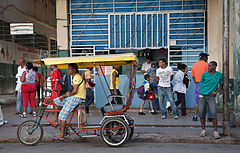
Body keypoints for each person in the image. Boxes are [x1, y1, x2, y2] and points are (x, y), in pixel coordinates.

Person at [52, 63, 86, 141]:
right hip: (73, 97)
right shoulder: (74, 77)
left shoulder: (77, 77)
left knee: (62, 116)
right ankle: (56, 120)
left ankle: (62, 135)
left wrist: (65, 96)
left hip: (76, 98)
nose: (68, 70)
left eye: (69, 69)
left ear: (74, 69)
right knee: (56, 101)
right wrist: (64, 96)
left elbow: (74, 91)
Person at [198, 61, 223, 139]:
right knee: (202, 113)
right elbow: (201, 84)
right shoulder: (204, 74)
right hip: (202, 95)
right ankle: (203, 130)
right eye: (208, 66)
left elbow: (221, 85)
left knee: (213, 113)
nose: (208, 67)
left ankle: (215, 131)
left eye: (210, 66)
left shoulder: (219, 75)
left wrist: (216, 92)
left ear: (214, 67)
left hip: (211, 96)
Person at [191, 53, 209, 121]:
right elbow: (208, 75)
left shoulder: (194, 65)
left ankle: (195, 116)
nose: (207, 58)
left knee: (197, 101)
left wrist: (196, 82)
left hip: (197, 85)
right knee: (207, 101)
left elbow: (193, 75)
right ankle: (208, 117)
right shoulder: (206, 65)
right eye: (206, 57)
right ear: (204, 57)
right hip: (205, 85)